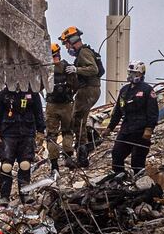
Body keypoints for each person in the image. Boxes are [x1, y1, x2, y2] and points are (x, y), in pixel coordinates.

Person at [0, 82, 45, 204]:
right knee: (6, 166)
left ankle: (25, 194)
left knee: (25, 164)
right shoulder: (3, 95)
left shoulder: (32, 93)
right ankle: (4, 196)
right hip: (8, 133)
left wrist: (41, 131)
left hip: (27, 133)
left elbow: (38, 113)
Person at [105, 61, 158, 175]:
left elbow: (153, 112)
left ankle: (139, 184)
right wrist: (110, 128)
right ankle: (120, 178)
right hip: (126, 129)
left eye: (134, 73)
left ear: (141, 74)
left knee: (137, 161)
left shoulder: (147, 90)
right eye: (130, 73)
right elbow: (118, 111)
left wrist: (149, 129)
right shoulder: (124, 90)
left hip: (141, 131)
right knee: (117, 154)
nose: (131, 75)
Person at [59, 26, 102, 167]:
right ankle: (88, 144)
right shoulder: (83, 53)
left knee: (78, 120)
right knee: (78, 119)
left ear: (72, 40)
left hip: (88, 90)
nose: (66, 48)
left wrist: (76, 69)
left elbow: (93, 69)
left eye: (66, 44)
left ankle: (83, 155)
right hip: (87, 90)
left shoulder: (84, 52)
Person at [45, 42, 78, 172]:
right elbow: (75, 85)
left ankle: (54, 164)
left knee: (52, 135)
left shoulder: (46, 69)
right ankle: (68, 157)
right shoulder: (68, 67)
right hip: (67, 105)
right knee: (67, 131)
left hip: (52, 105)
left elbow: (40, 86)